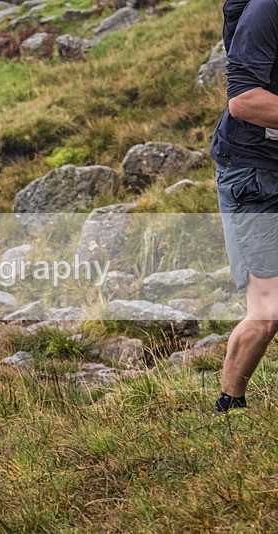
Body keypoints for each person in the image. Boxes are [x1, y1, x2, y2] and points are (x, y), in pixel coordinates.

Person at [210, 0, 278, 414]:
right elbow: (244, 101)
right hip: (254, 175)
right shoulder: (266, 12)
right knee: (268, 312)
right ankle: (229, 406)